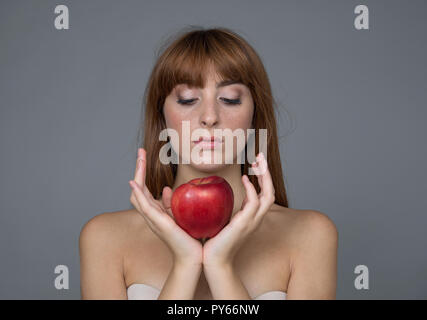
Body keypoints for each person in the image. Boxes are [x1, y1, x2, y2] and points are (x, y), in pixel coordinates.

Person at [79, 27, 338, 300]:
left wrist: (219, 264)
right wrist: (186, 263)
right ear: (161, 116)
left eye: (230, 99)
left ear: (254, 116)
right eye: (188, 99)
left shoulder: (309, 235)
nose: (210, 117)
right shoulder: (104, 238)